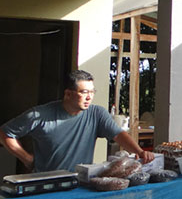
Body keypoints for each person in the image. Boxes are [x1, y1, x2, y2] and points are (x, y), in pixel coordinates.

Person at [1, 69, 154, 172]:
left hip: (80, 182)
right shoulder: (39, 115)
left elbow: (119, 135)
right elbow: (5, 133)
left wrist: (139, 152)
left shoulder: (97, 113)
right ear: (68, 94)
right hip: (46, 183)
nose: (89, 97)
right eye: (84, 92)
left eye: (92, 92)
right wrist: (26, 158)